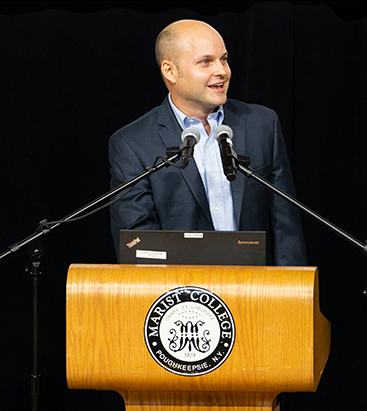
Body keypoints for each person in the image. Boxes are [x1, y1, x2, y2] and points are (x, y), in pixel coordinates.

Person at [109, 19, 306, 266]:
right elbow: (139, 249)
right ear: (170, 71)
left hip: (257, 295)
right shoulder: (132, 144)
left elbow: (286, 227)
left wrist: (292, 296)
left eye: (223, 59)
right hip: (183, 298)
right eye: (206, 62)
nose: (222, 71)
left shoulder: (261, 125)